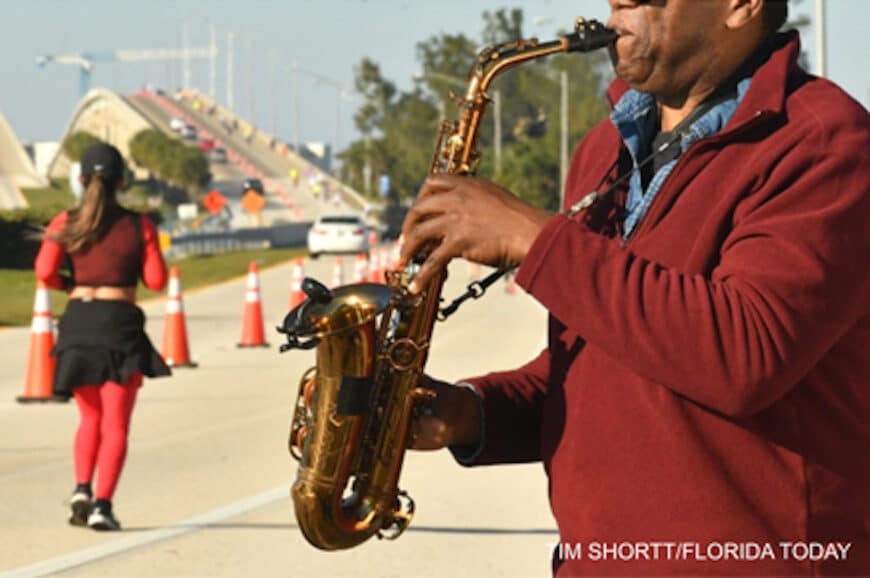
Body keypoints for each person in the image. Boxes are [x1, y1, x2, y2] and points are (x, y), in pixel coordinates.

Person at [400, 0, 869, 575]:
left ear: (741, 6)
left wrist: (534, 239)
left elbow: (746, 351)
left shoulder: (822, 140)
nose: (619, 1)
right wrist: (468, 413)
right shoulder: (603, 149)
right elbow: (608, 369)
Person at [34, 143, 171, 531]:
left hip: (78, 322)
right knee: (115, 424)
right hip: (119, 325)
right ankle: (102, 505)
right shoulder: (139, 225)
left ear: (80, 179)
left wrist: (73, 285)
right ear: (123, 180)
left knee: (89, 416)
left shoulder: (65, 220)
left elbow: (44, 272)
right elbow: (156, 280)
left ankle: (81, 488)